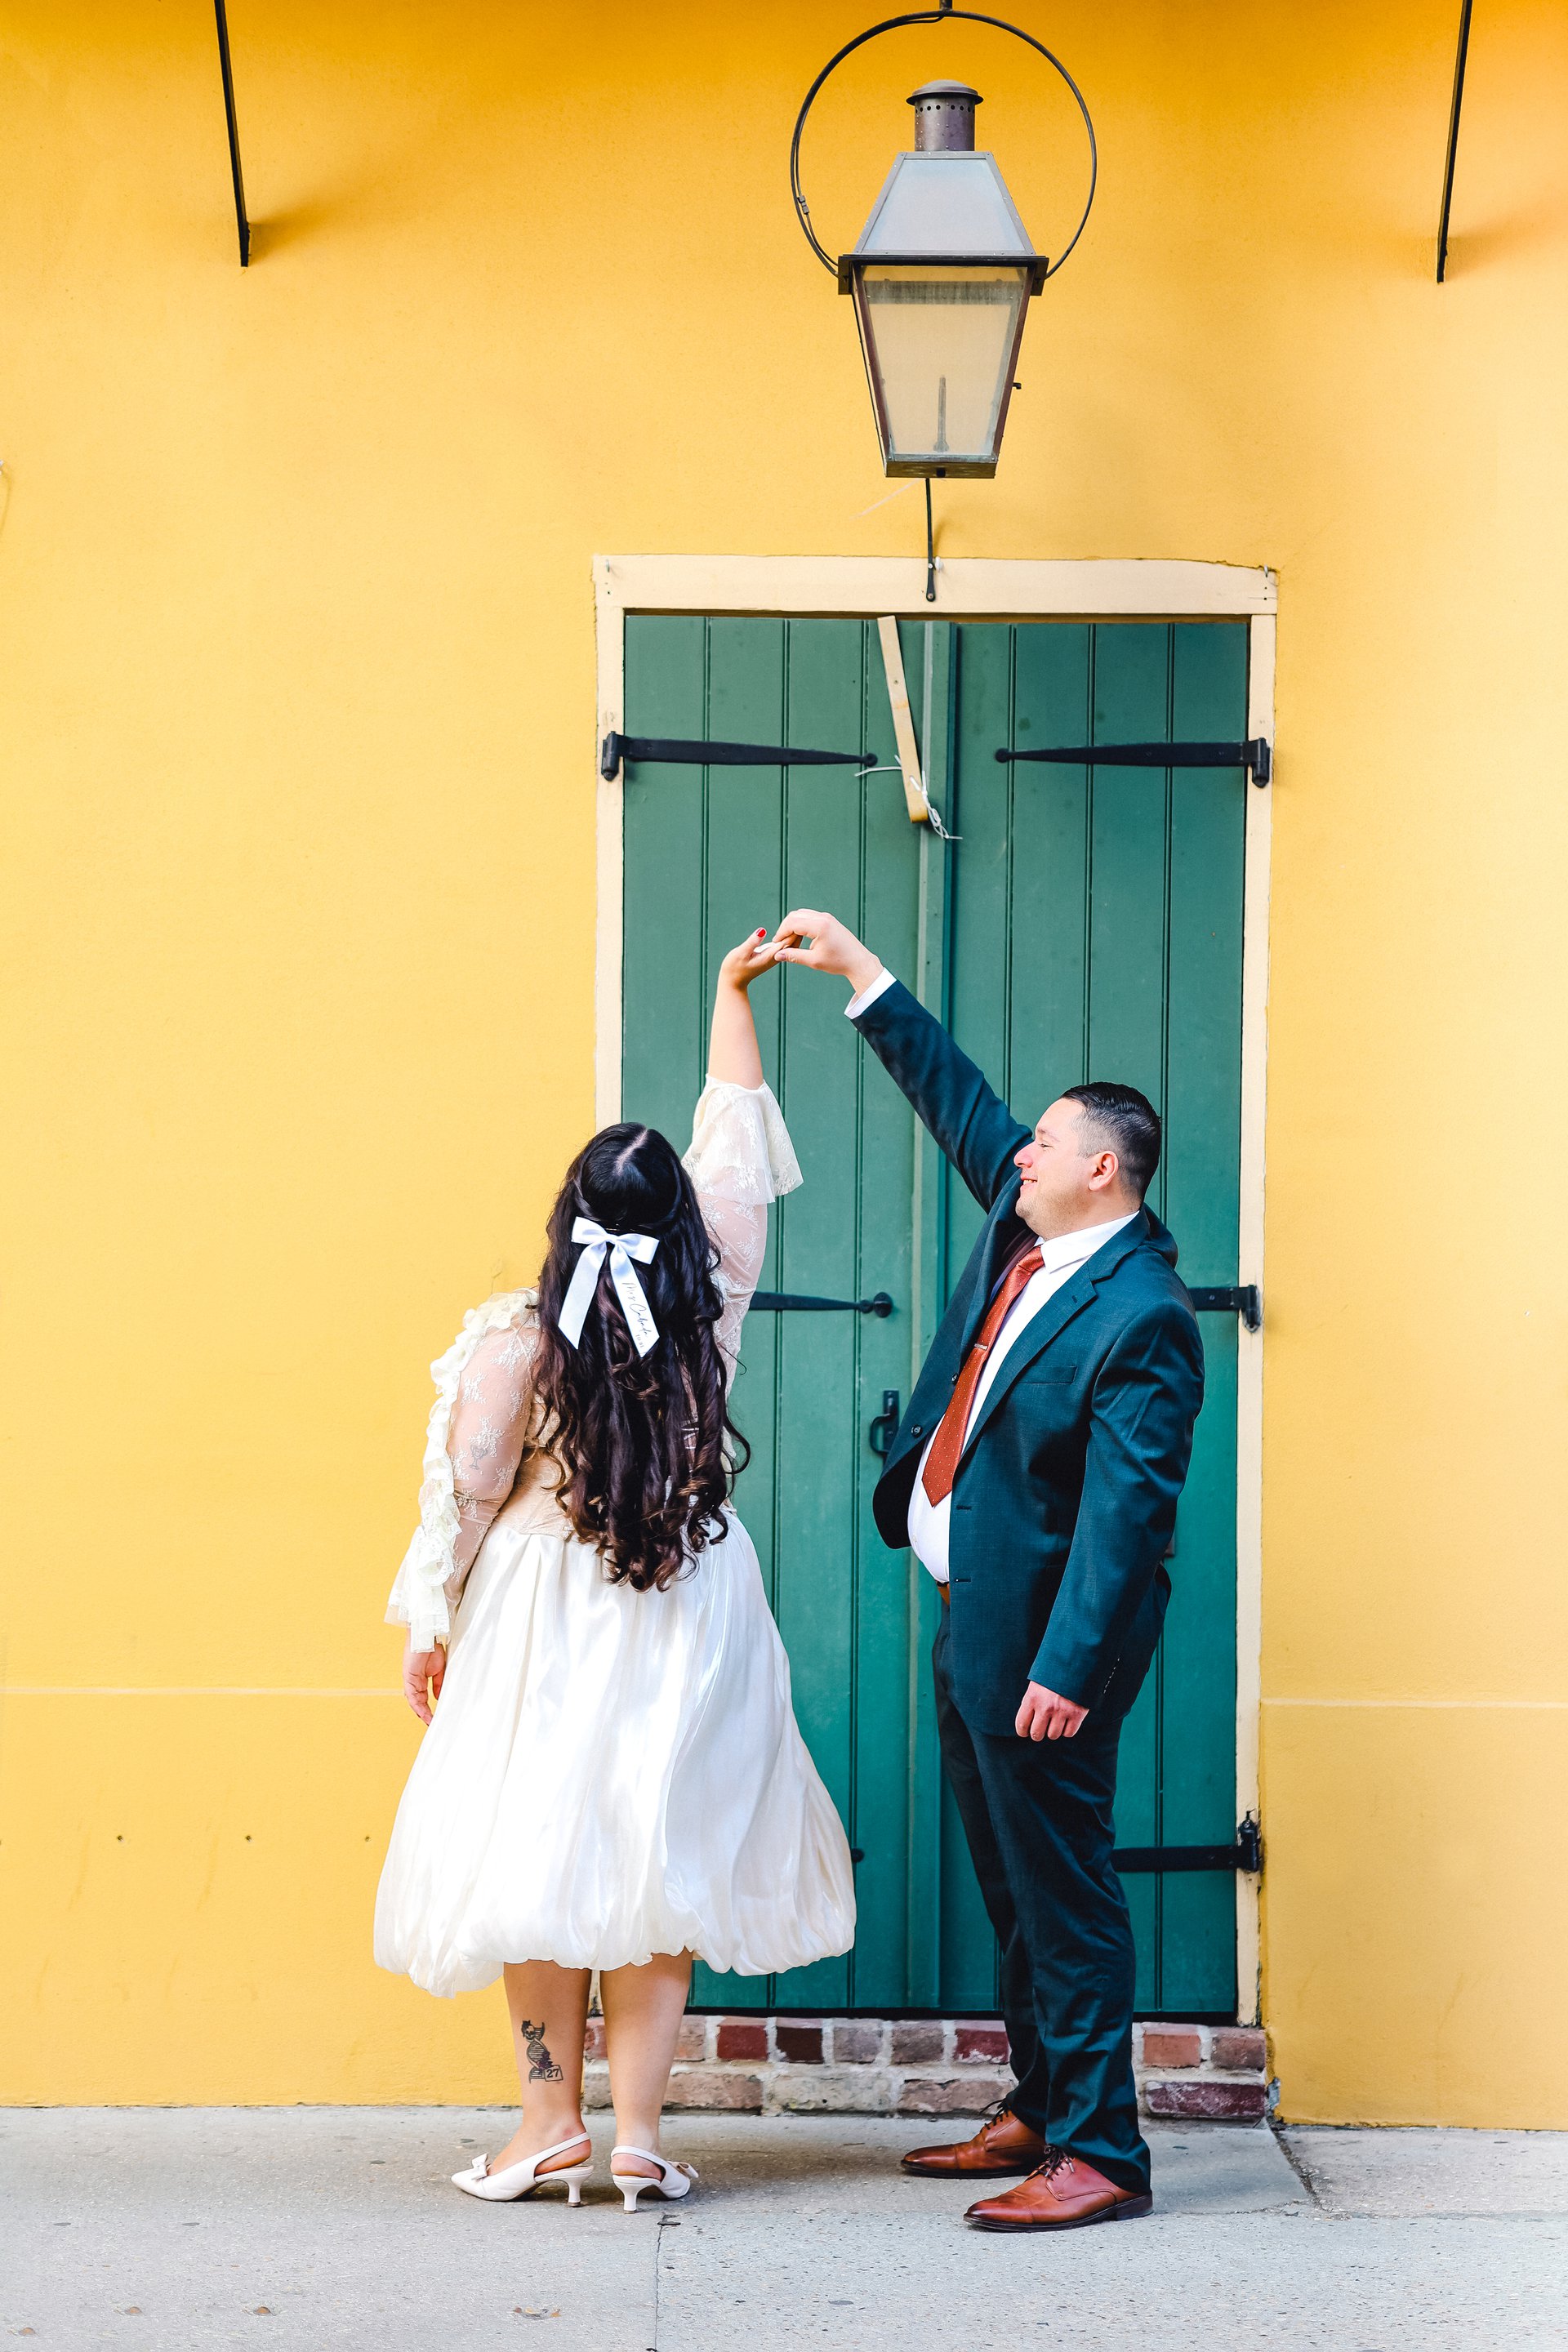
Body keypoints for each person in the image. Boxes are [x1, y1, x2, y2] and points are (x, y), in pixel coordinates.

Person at [376, 927, 854, 2212]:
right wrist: (731, 996)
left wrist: (431, 1623)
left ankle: (550, 2124)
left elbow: (468, 1495)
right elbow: (736, 1141)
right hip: (690, 1597)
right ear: (684, 1227)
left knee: (538, 1854)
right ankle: (638, 2135)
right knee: (660, 1855)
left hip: (546, 1610)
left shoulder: (517, 1343)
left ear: (566, 1222)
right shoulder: (713, 1301)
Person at [772, 907, 1204, 2233]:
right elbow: (961, 1104)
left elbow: (1130, 1518)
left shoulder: (1144, 1314)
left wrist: (1068, 1669)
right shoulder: (1029, 1239)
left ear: (1104, 1171)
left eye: (1047, 1142)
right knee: (1013, 1886)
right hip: (978, 1621)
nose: (1020, 1150)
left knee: (1065, 1895)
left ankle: (1102, 2154)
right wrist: (861, 974)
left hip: (1048, 1652)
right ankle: (1043, 2099)